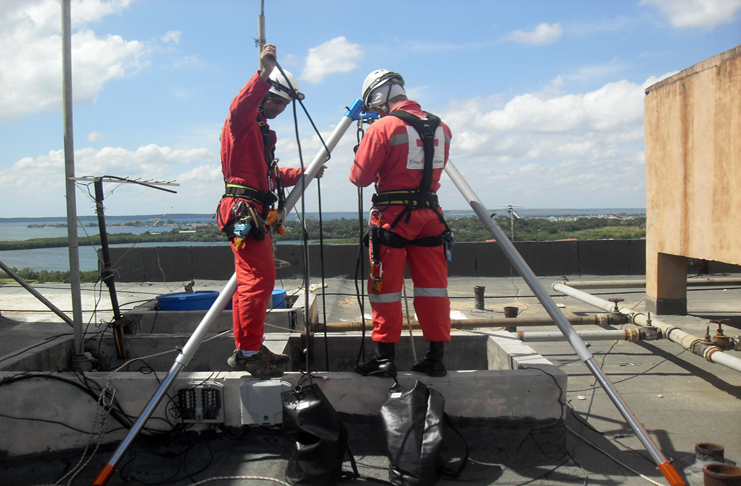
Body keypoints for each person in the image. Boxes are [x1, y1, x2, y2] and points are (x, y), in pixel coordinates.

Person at [216, 44, 324, 379]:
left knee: (251, 283)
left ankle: (248, 347)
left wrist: (302, 173)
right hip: (244, 212)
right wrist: (262, 76)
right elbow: (239, 108)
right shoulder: (243, 124)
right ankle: (248, 351)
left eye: (284, 103)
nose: (281, 107)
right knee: (259, 281)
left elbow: (269, 176)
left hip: (252, 211)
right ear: (264, 97)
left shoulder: (260, 133)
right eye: (278, 100)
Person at [350, 70, 453, 378]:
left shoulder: (384, 126)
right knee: (434, 289)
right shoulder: (442, 127)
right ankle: (435, 358)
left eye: (375, 105)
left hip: (393, 219)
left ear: (378, 96)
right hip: (431, 217)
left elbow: (360, 177)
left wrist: (364, 151)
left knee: (385, 290)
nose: (375, 112)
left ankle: (384, 360)